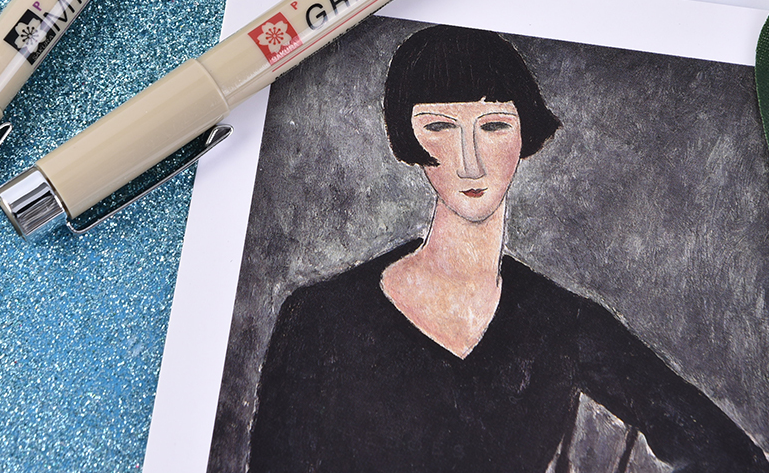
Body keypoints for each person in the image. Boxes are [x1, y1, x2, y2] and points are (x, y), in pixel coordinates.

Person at [247, 25, 769, 472]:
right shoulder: (319, 317)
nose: (470, 161)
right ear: (409, 138)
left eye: (494, 126)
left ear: (525, 135)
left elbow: (730, 455)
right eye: (439, 127)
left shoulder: (563, 322)